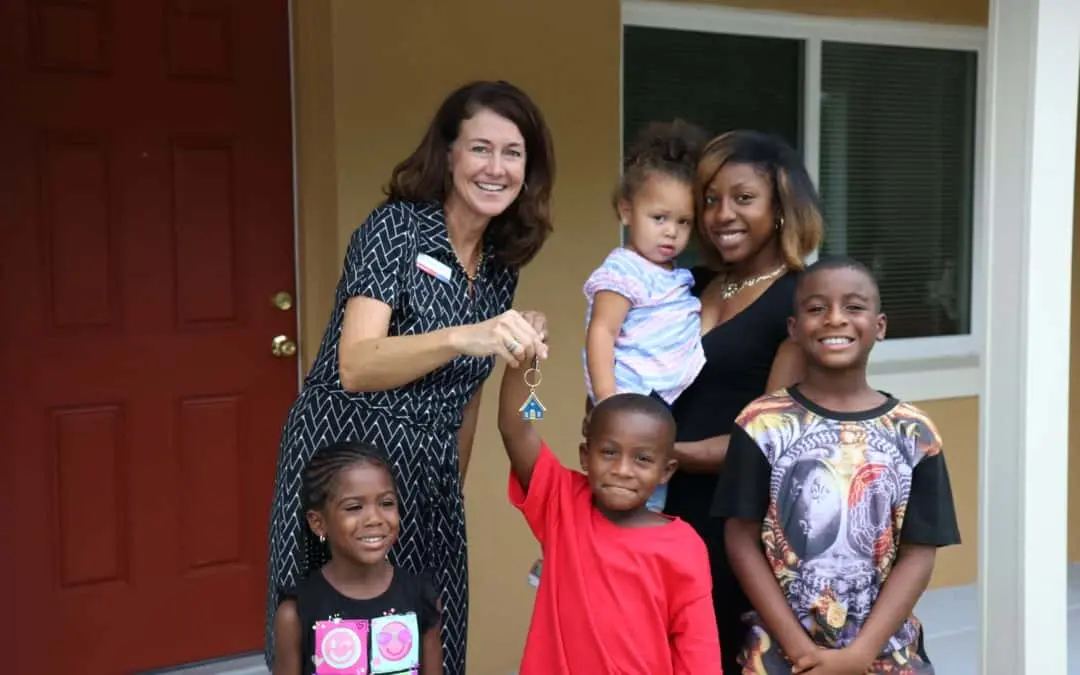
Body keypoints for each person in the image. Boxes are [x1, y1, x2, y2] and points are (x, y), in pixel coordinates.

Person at [264, 80, 557, 675]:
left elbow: (466, 399)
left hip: (427, 475)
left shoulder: (499, 266)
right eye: (479, 148)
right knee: (335, 638)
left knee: (424, 633)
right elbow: (356, 363)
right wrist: (462, 336)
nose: (495, 167)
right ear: (447, 155)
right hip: (347, 457)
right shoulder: (395, 229)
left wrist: (449, 487)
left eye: (513, 152)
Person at [713, 257, 961, 674]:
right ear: (794, 329)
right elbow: (740, 540)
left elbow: (919, 554)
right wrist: (801, 651)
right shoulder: (761, 424)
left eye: (853, 307)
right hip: (779, 655)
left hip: (883, 655)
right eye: (816, 308)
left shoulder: (915, 434)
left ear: (879, 326)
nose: (834, 319)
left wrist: (859, 655)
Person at [659, 130, 823, 674]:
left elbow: (766, 440)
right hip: (655, 508)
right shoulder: (688, 283)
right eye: (710, 199)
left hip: (730, 523)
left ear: (781, 208)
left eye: (743, 198)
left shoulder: (800, 299)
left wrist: (655, 455)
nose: (721, 214)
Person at [499, 344, 722, 673]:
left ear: (666, 471)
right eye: (609, 452)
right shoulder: (563, 502)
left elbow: (698, 652)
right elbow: (514, 428)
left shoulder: (685, 546)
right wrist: (524, 354)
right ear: (585, 456)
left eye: (642, 459)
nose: (623, 469)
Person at [582, 120, 709, 512]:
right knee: (622, 499)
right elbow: (601, 332)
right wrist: (607, 402)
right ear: (626, 211)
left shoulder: (675, 277)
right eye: (659, 218)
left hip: (657, 408)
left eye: (683, 222)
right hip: (628, 408)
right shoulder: (625, 271)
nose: (671, 232)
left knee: (649, 502)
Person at [273, 441, 444, 675]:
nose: (374, 518)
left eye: (386, 503)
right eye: (354, 507)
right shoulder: (295, 613)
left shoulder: (421, 597)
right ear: (318, 523)